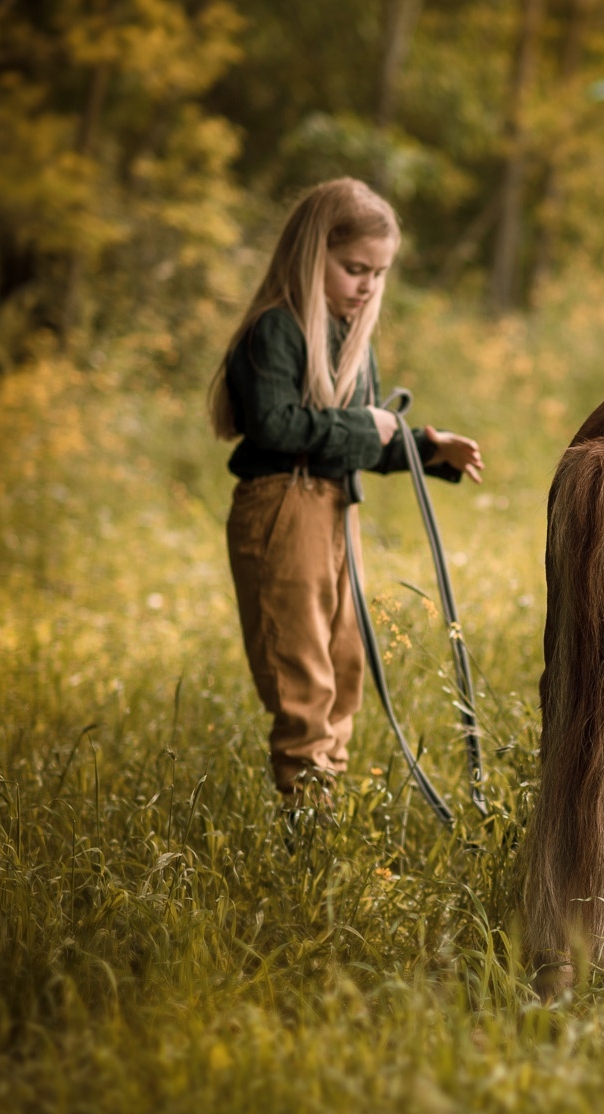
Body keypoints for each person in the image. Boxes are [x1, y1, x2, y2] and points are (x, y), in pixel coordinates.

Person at [205, 178, 484, 805]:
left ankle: (327, 799)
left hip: (334, 506)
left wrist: (423, 449)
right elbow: (274, 425)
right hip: (282, 504)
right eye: (354, 268)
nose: (367, 285)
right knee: (301, 665)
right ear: (313, 255)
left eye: (378, 273)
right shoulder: (274, 330)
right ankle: (307, 810)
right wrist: (365, 426)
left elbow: (357, 439)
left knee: (345, 658)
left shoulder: (349, 336)